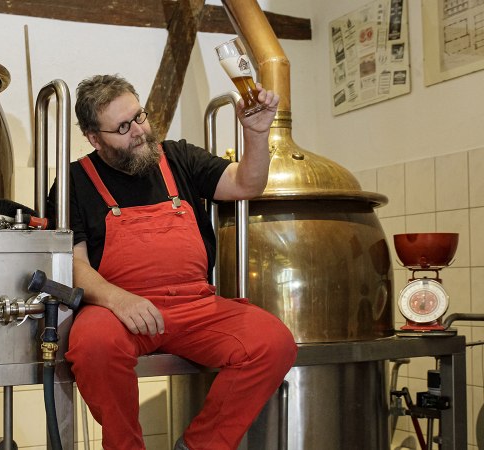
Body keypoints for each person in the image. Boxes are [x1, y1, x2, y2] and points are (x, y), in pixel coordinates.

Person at [48, 74, 297, 450]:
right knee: (92, 345)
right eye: (122, 127)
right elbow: (74, 264)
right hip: (120, 311)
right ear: (94, 138)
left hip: (195, 306)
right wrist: (118, 300)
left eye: (140, 116)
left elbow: (247, 185)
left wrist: (256, 135)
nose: (139, 131)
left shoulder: (178, 157)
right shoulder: (74, 181)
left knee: (272, 343)